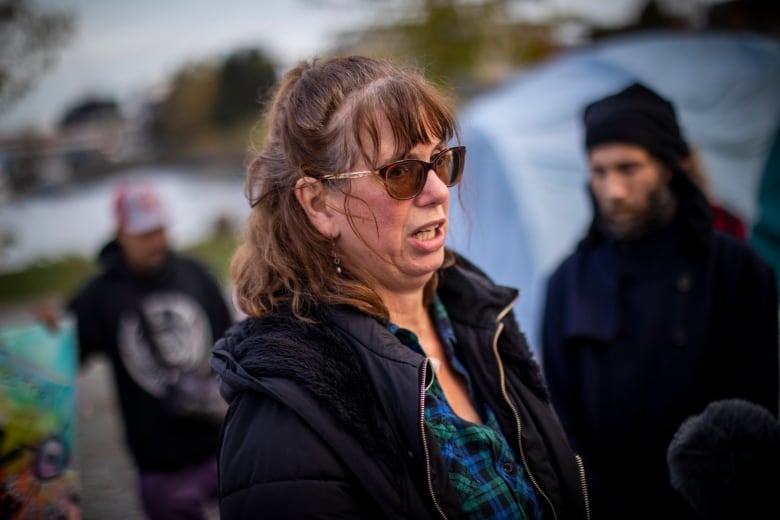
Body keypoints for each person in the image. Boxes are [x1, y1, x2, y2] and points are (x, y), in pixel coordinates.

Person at [211, 55, 590, 519]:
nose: (436, 190)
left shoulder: (480, 320)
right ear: (319, 205)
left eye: (441, 161)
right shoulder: (287, 410)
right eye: (401, 173)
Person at [541, 82, 779, 519]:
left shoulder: (735, 270)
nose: (613, 190)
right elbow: (559, 413)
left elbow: (761, 399)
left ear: (669, 166)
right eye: (600, 172)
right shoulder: (568, 282)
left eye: (629, 168)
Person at [67, 182, 234, 519]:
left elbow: (232, 347)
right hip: (161, 467)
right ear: (121, 233)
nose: (158, 241)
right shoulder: (98, 296)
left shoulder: (196, 274)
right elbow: (61, 360)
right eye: (145, 233)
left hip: (222, 447)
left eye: (161, 229)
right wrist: (49, 332)